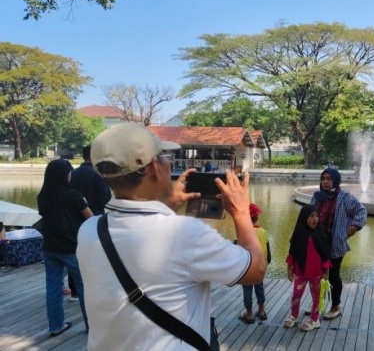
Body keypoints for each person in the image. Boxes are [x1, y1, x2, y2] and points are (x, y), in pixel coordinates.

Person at [77, 122, 265, 350]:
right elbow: (255, 270)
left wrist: (168, 206)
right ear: (155, 167)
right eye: (165, 156)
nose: (170, 162)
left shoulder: (89, 230)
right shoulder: (187, 233)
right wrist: (241, 211)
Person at [37, 159, 93, 337]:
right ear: (64, 175)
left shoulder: (43, 197)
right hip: (72, 248)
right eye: (69, 172)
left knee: (53, 286)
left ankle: (55, 326)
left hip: (50, 247)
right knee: (84, 286)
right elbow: (90, 218)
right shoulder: (74, 196)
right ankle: (91, 327)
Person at [309, 167, 367, 320]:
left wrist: (352, 229)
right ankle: (317, 304)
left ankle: (335, 306)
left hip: (334, 244)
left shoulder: (344, 197)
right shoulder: (317, 196)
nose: (326, 182)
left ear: (335, 180)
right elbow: (308, 214)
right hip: (317, 243)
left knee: (333, 275)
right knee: (315, 275)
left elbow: (361, 211)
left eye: (329, 179)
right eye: (323, 179)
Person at [68, 145, 112, 300]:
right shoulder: (98, 175)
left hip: (73, 221)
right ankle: (93, 289)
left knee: (76, 255)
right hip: (94, 220)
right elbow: (106, 199)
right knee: (95, 256)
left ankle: (74, 291)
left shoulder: (72, 173)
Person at [284, 204, 331, 331]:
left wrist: (326, 270)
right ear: (304, 217)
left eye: (317, 216)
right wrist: (289, 269)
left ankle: (315, 320)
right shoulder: (298, 234)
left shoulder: (320, 234)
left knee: (316, 296)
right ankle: (294, 316)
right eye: (311, 216)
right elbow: (292, 252)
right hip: (300, 272)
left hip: (316, 273)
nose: (315, 219)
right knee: (296, 295)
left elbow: (325, 254)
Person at [236, 203, 271, 324]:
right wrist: (266, 263)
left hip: (246, 268)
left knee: (247, 289)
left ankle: (249, 314)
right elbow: (267, 250)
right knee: (259, 288)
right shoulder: (262, 231)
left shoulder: (242, 232)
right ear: (256, 217)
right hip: (259, 267)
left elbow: (238, 250)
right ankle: (261, 311)